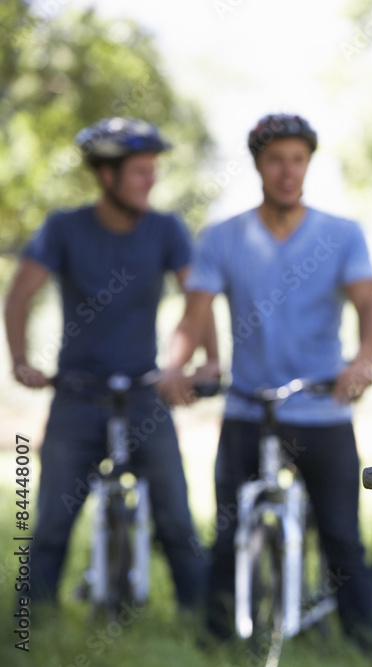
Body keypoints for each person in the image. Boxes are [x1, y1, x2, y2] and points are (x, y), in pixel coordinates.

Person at [158, 113, 372, 655]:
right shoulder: (223, 236)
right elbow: (194, 315)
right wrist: (175, 365)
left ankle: (365, 643)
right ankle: (214, 637)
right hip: (247, 406)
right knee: (228, 533)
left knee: (341, 537)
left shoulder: (341, 234)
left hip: (321, 405)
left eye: (298, 159)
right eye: (276, 159)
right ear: (258, 163)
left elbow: (368, 307)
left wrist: (364, 359)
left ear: (309, 164)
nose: (287, 171)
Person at [3, 117, 213, 610]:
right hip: (76, 395)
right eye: (140, 171)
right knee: (51, 524)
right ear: (106, 175)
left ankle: (204, 628)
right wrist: (19, 361)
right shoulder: (64, 228)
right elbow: (19, 298)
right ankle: (30, 631)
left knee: (179, 522)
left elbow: (197, 297)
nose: (151, 180)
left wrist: (207, 359)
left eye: (152, 170)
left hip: (145, 395)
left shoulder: (166, 229)